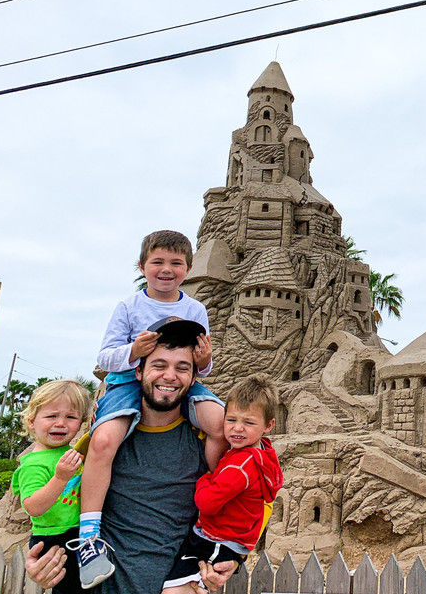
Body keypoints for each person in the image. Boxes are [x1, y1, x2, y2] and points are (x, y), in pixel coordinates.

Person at [26, 320, 238, 594]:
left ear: (194, 379)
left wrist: (234, 557)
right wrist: (43, 563)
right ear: (138, 371)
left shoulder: (206, 439)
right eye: (159, 365)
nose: (170, 376)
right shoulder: (103, 440)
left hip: (173, 583)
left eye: (182, 368)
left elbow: (250, 493)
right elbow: (51, 501)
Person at [77, 230, 228, 587]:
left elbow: (197, 364)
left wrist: (204, 362)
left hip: (183, 383)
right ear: (142, 266)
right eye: (157, 262)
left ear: (188, 268)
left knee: (221, 424)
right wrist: (135, 351)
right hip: (128, 380)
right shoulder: (129, 307)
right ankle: (89, 535)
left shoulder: (195, 309)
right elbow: (104, 356)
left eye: (176, 263)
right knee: (103, 441)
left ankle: (212, 502)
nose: (166, 269)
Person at [162, 374, 283, 593]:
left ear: (269, 425)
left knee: (176, 590)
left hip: (215, 540)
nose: (237, 428)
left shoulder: (240, 466)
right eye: (231, 420)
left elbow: (207, 503)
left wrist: (206, 477)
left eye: (248, 422)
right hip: (230, 541)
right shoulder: (264, 452)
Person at [10, 380, 93, 594]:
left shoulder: (73, 452)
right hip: (53, 538)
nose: (61, 423)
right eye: (51, 416)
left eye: (71, 417)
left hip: (78, 531)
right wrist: (60, 478)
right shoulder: (33, 463)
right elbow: (33, 508)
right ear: (31, 421)